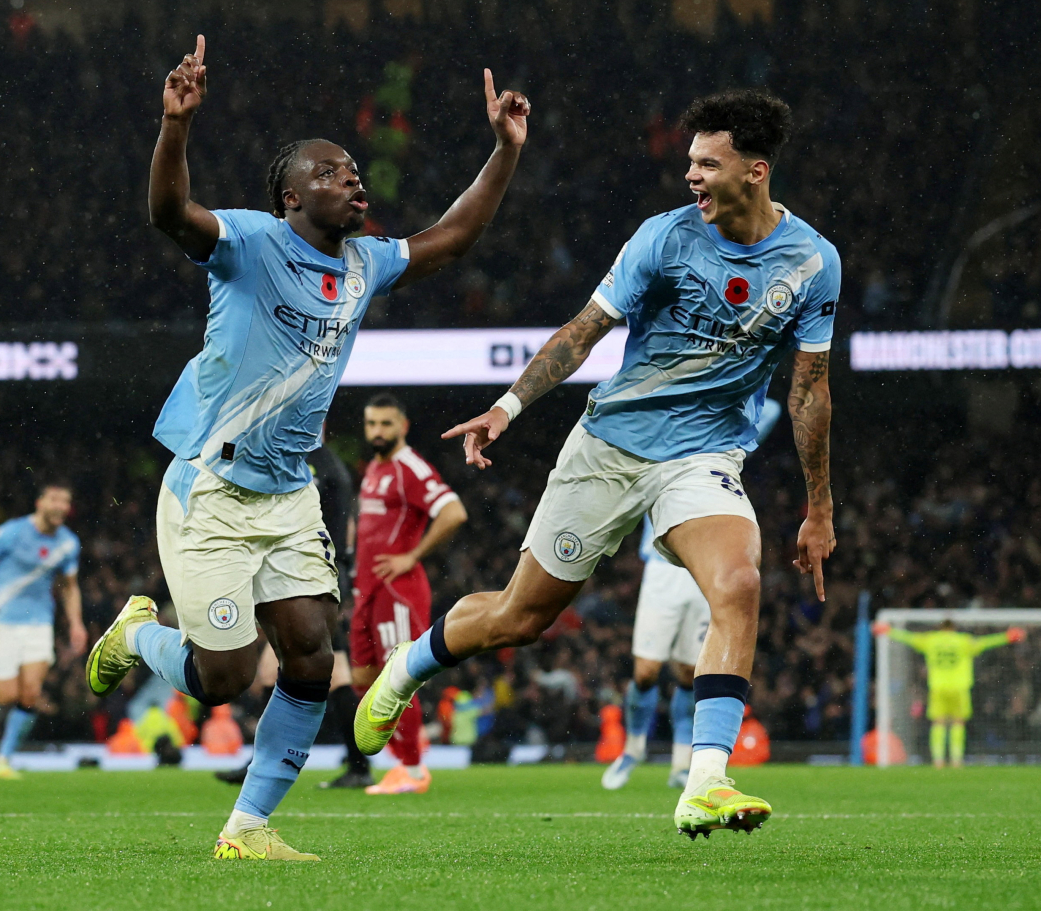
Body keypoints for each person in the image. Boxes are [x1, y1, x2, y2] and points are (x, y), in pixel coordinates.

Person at [85, 35, 529, 861]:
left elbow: (455, 236)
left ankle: (247, 830)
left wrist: (502, 152)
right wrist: (174, 125)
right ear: (290, 199)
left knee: (309, 656)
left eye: (354, 170)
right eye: (329, 173)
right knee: (220, 676)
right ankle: (136, 634)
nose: (350, 179)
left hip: (288, 493)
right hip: (211, 485)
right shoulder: (250, 243)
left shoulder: (364, 263)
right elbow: (167, 215)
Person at [357, 89, 839, 840]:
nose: (691, 177)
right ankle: (409, 667)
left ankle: (705, 782)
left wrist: (820, 508)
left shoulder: (812, 263)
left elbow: (810, 391)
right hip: (609, 448)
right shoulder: (663, 239)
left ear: (755, 170)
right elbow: (583, 333)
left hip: (702, 454)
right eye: (688, 163)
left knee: (739, 583)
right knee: (519, 619)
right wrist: (506, 408)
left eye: (707, 165)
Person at [604, 398, 781, 791]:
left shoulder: (720, 439)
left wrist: (728, 393)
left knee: (688, 671)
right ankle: (632, 751)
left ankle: (683, 762)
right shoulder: (658, 433)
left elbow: (771, 410)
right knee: (646, 672)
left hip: (703, 565)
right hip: (661, 567)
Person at [212, 441, 376, 789]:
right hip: (304, 575)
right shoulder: (305, 459)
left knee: (331, 673)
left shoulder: (323, 466)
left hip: (314, 576)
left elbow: (341, 524)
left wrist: (338, 569)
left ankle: (352, 765)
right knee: (283, 670)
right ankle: (274, 762)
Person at [350, 393, 467, 795]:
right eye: (371, 424)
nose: (377, 431)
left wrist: (410, 556)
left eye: (385, 423)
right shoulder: (374, 468)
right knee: (363, 678)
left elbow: (454, 512)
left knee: (397, 677)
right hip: (366, 592)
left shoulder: (409, 467)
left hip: (396, 592)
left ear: (403, 426)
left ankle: (413, 769)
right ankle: (405, 755)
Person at [0, 482, 86, 779]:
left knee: (30, 694)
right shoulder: (13, 532)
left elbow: (70, 587)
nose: (60, 506)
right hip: (2, 619)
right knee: (7, 696)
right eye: (55, 499)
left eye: (66, 501)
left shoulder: (68, 543)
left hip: (39, 622)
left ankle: (2, 761)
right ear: (39, 502)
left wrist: (77, 623)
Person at [874, 619, 1026, 768]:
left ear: (940, 628)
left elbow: (909, 638)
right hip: (959, 688)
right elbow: (985, 642)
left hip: (938, 687)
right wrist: (1007, 636)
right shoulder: (963, 641)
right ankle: (956, 760)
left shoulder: (931, 640)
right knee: (958, 722)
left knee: (938, 722)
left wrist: (889, 630)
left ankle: (938, 761)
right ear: (954, 628)